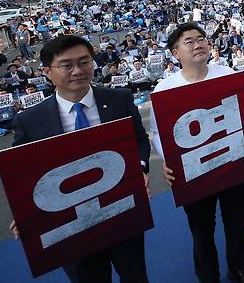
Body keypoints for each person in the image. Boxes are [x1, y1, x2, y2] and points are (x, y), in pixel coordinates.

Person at [10, 35, 151, 282]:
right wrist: (25, 211)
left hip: (120, 207)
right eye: (66, 65)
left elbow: (139, 140)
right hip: (69, 221)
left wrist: (139, 169)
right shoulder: (29, 121)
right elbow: (22, 173)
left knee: (135, 274)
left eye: (85, 62)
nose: (78, 71)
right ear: (46, 72)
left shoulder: (119, 100)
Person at [150, 22, 244, 283]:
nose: (198, 44)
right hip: (192, 168)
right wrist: (167, 159)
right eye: (189, 41)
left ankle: (238, 265)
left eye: (201, 38)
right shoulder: (164, 90)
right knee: (201, 228)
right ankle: (208, 275)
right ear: (175, 53)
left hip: (231, 159)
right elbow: (157, 133)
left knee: (236, 220)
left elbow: (241, 115)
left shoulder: (227, 74)